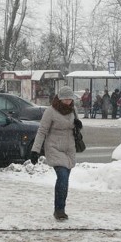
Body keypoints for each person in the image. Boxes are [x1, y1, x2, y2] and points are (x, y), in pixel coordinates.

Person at [29, 85, 81, 221]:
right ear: (60, 99)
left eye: (70, 99)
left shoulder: (73, 110)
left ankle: (61, 208)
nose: (68, 102)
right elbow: (42, 131)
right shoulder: (50, 112)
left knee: (65, 180)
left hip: (69, 149)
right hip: (54, 148)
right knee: (62, 177)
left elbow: (76, 130)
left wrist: (78, 125)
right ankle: (59, 210)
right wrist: (35, 150)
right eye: (66, 99)